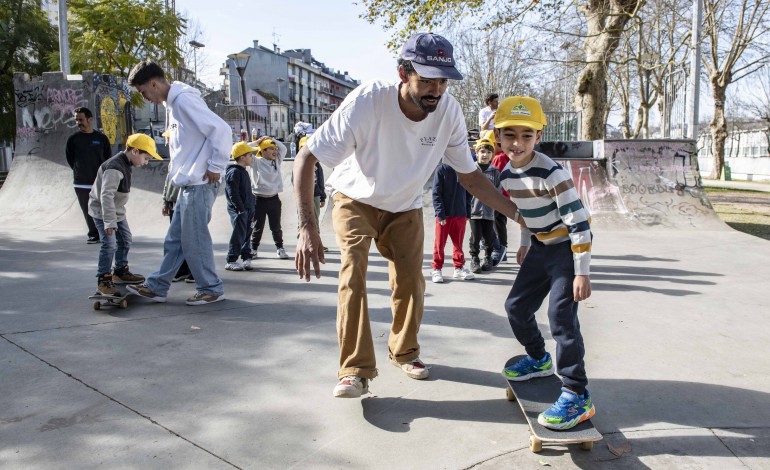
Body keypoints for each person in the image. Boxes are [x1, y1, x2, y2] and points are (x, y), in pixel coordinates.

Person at [292, 32, 523, 399]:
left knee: (411, 281)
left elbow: (470, 175)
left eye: (443, 81)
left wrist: (518, 213)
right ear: (404, 73)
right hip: (355, 197)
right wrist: (306, 227)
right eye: (427, 80)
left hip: (405, 205)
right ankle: (354, 369)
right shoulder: (367, 101)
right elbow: (307, 158)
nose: (436, 90)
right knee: (353, 273)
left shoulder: (448, 111)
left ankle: (404, 351)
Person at [496, 96, 594, 430]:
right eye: (510, 135)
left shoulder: (552, 173)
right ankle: (538, 358)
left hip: (566, 251)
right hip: (540, 248)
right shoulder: (506, 175)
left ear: (538, 137)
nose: (518, 143)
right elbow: (524, 214)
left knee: (560, 317)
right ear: (498, 136)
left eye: (527, 135)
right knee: (516, 306)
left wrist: (582, 273)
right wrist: (525, 243)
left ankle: (576, 393)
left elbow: (580, 221)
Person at [126, 59, 231, 306]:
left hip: (199, 182)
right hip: (188, 183)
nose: (145, 97)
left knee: (194, 239)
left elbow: (221, 130)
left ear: (154, 83)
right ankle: (158, 286)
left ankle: (211, 288)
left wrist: (216, 165)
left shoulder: (184, 101)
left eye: (144, 92)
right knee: (175, 240)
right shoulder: (172, 104)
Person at [89, 134, 161, 295]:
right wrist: (109, 222)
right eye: (146, 158)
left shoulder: (125, 163)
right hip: (103, 212)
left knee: (125, 239)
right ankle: (104, 279)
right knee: (109, 244)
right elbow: (106, 195)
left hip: (117, 212)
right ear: (135, 151)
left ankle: (120, 272)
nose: (146, 163)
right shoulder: (115, 168)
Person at [66, 107, 112, 244]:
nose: (78, 122)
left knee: (103, 207)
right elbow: (70, 159)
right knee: (87, 210)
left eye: (81, 119)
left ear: (90, 119)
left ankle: (107, 232)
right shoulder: (73, 140)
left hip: (99, 181)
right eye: (76, 120)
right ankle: (94, 234)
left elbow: (108, 159)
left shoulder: (101, 139)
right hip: (81, 182)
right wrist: (79, 171)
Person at [430, 162, 474, 283]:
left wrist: (467, 211)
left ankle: (458, 268)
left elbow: (469, 193)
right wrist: (440, 213)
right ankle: (437, 269)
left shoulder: (464, 168)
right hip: (444, 216)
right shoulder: (441, 169)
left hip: (460, 214)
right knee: (439, 244)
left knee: (458, 243)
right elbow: (436, 193)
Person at [250, 136, 290, 260]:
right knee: (257, 227)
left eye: (275, 148)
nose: (275, 151)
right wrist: (257, 142)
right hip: (258, 200)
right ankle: (253, 249)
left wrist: (272, 139)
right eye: (271, 148)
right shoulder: (255, 161)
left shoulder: (277, 160)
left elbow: (283, 148)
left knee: (276, 227)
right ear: (262, 151)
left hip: (274, 200)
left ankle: (280, 248)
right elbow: (243, 149)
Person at [468, 138, 501, 274]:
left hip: (489, 211)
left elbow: (498, 191)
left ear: (492, 155)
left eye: (488, 152)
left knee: (488, 236)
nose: (485, 155)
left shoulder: (495, 172)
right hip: (474, 211)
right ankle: (474, 258)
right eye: (482, 151)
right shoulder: (471, 170)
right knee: (475, 236)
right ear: (476, 152)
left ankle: (487, 257)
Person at [225, 142, 257, 271]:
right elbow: (233, 193)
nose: (252, 157)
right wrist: (240, 209)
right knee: (239, 234)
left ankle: (246, 258)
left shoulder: (243, 171)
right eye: (250, 155)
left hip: (248, 208)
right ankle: (231, 260)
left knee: (247, 234)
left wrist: (252, 207)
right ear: (242, 157)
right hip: (240, 210)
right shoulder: (233, 172)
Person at [161, 175, 193, 283]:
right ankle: (183, 270)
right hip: (174, 203)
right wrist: (165, 201)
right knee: (177, 239)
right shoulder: (173, 162)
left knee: (190, 239)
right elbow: (168, 183)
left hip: (187, 203)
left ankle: (194, 271)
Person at [488, 129, 510, 265]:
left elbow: (494, 178)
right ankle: (503, 249)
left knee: (498, 223)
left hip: (498, 197)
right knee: (500, 223)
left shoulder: (499, 158)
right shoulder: (504, 156)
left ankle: (502, 249)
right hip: (504, 196)